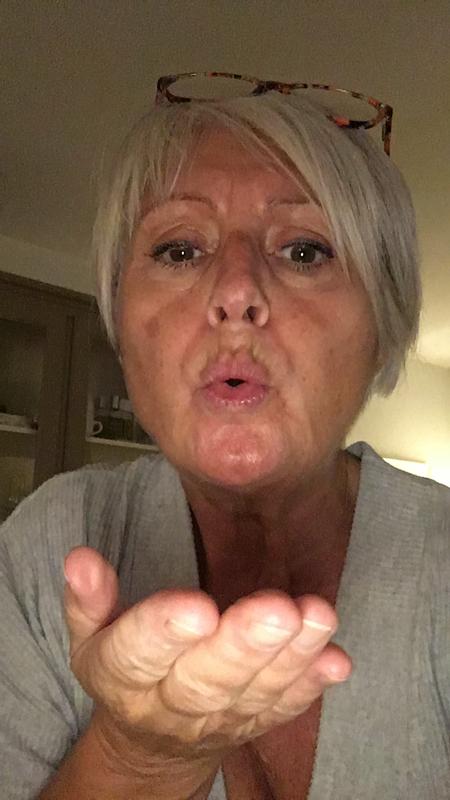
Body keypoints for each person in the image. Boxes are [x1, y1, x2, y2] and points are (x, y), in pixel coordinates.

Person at [1, 73, 449, 800]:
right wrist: (136, 759)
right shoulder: (47, 543)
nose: (236, 292)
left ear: (383, 323)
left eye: (305, 251)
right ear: (121, 321)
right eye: (180, 250)